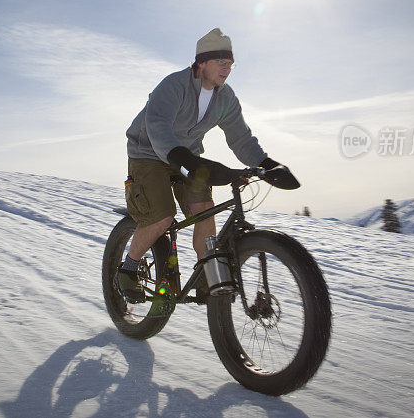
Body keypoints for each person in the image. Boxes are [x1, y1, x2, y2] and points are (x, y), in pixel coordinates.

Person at [118, 27, 298, 303]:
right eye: (221, 62)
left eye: (231, 64)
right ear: (201, 62)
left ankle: (206, 276)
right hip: (149, 153)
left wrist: (266, 164)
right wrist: (181, 157)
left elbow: (240, 138)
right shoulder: (173, 86)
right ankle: (128, 268)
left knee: (204, 210)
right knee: (162, 216)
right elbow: (157, 126)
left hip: (186, 157)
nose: (227, 69)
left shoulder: (225, 97)